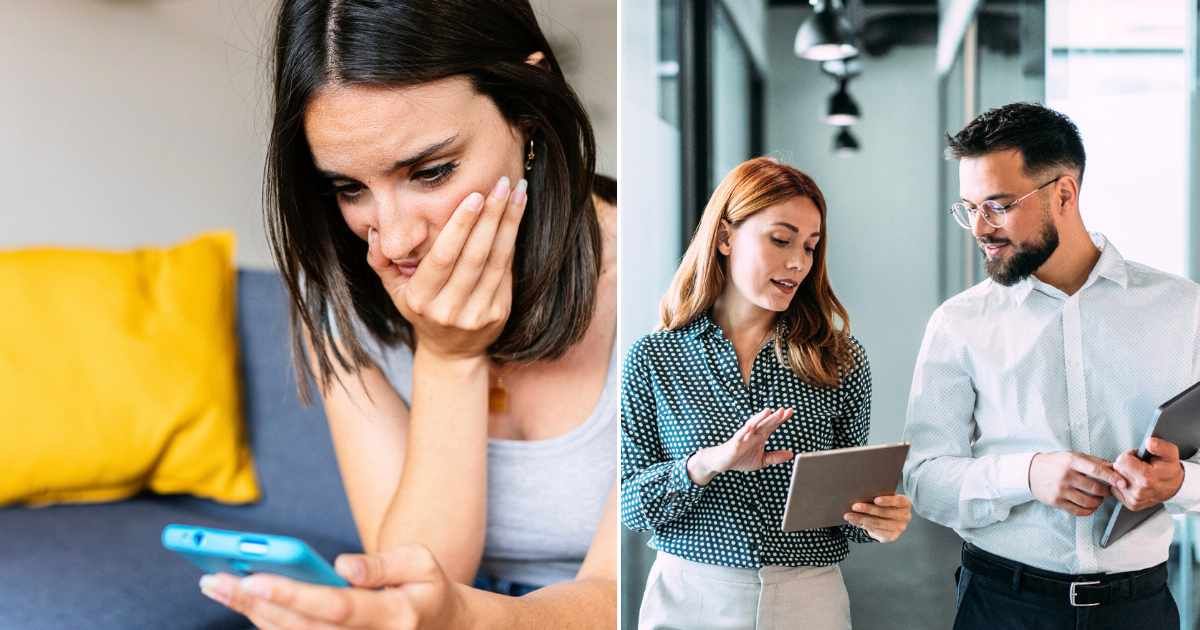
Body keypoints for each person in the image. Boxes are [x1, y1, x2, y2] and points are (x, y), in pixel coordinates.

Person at [196, 1, 618, 628]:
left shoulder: (688, 280)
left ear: (529, 111)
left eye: (431, 172)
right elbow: (416, 579)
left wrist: (465, 619)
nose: (392, 243)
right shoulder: (340, 296)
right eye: (349, 188)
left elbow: (631, 594)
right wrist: (449, 357)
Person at [903, 102, 1200, 629]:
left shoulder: (1184, 309)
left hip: (1142, 610)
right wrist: (1028, 475)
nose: (979, 227)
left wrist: (1177, 485)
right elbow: (925, 481)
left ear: (1064, 193)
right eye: (968, 207)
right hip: (1001, 606)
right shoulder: (959, 322)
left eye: (997, 205)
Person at [621, 157, 912, 630]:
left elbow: (848, 515)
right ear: (724, 236)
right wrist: (709, 463)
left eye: (811, 246)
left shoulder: (840, 359)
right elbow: (634, 507)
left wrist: (877, 520)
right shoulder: (654, 357)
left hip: (807, 598)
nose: (798, 262)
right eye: (781, 239)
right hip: (689, 597)